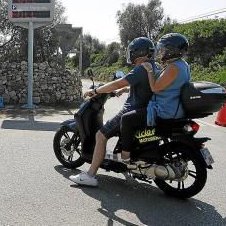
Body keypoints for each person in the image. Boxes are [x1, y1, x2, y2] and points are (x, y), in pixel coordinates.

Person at [70, 37, 158, 186]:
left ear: (138, 52)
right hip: (145, 110)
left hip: (131, 110)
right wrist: (126, 89)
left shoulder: (141, 68)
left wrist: (96, 91)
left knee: (100, 135)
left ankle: (90, 175)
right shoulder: (154, 67)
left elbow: (118, 82)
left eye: (132, 52)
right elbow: (146, 86)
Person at [119, 33, 191, 161]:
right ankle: (145, 148)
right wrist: (126, 89)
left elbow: (155, 88)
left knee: (126, 119)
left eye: (163, 49)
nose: (161, 51)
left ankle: (125, 156)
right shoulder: (183, 64)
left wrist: (149, 71)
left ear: (172, 50)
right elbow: (168, 85)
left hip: (164, 110)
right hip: (172, 106)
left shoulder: (173, 67)